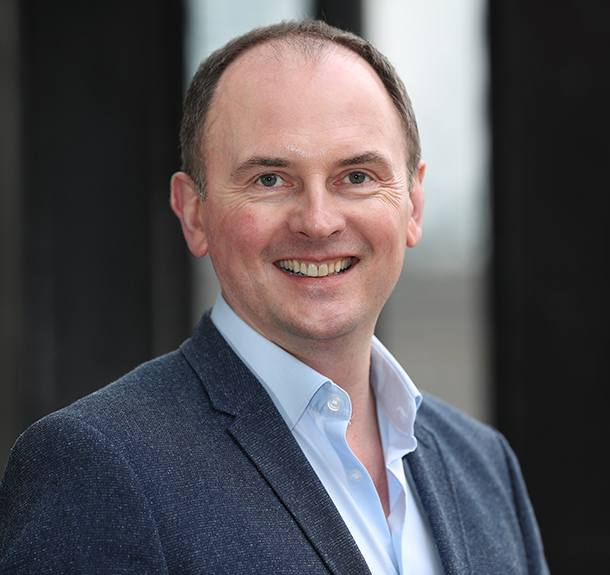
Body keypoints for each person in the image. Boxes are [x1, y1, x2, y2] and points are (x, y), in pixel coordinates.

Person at [0, 20, 549, 575]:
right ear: (194, 214)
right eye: (269, 179)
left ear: (414, 204)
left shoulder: (483, 465)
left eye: (357, 176)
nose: (318, 221)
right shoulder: (96, 467)